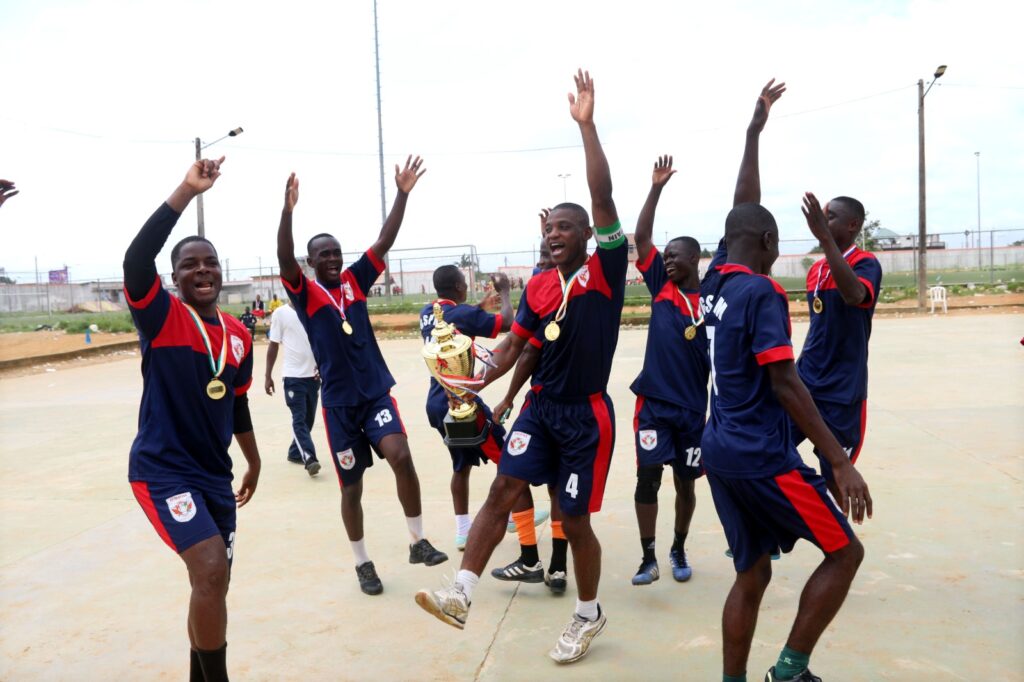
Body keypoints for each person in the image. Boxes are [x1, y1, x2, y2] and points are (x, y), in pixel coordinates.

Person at [416, 69, 626, 664]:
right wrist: (476, 380)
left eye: (565, 227)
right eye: (549, 227)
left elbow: (604, 197)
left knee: (575, 521)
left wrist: (586, 127)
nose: (554, 234)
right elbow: (518, 346)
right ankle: (461, 593)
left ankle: (587, 613)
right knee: (503, 489)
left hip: (586, 416)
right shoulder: (537, 286)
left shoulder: (606, 272)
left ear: (587, 234)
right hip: (540, 409)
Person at [700, 81, 873, 682]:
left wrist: (753, 133)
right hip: (760, 455)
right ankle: (789, 670)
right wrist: (839, 462)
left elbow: (741, 211)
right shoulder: (762, 291)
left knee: (752, 574)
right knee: (845, 552)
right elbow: (785, 384)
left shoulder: (715, 283)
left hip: (719, 451)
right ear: (771, 244)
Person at [276, 155, 447, 597]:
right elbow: (283, 257)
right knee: (351, 489)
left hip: (374, 395)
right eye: (324, 254)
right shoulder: (305, 293)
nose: (333, 259)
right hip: (338, 406)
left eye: (337, 252)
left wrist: (402, 194)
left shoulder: (355, 281)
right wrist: (288, 212)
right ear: (311, 262)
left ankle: (418, 541)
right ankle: (362, 563)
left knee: (401, 456)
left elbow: (384, 240)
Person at [123, 157, 261, 682]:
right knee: (209, 568)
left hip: (214, 475)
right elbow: (136, 258)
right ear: (174, 277)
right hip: (163, 470)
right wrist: (186, 189)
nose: (202, 270)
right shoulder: (161, 317)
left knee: (213, 584)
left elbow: (237, 403)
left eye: (211, 262)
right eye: (190, 265)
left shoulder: (239, 334)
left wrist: (253, 461)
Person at [628, 155, 709, 586]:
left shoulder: (712, 299)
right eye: (666, 256)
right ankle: (648, 558)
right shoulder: (662, 286)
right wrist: (656, 188)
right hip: (654, 406)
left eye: (676, 255)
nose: (669, 260)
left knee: (686, 483)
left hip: (693, 410)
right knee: (648, 479)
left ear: (695, 257)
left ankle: (678, 547)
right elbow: (641, 238)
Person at [793, 193, 882, 499]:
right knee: (772, 451)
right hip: (806, 383)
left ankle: (836, 529)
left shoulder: (866, 263)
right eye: (821, 216)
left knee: (835, 477)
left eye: (829, 217)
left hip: (843, 391)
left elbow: (854, 295)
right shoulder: (815, 270)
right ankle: (783, 524)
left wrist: (825, 240)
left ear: (853, 225)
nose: (822, 221)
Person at [420, 267, 512, 549]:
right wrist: (505, 291)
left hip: (436, 403)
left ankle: (462, 530)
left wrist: (478, 308)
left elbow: (456, 319)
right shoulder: (462, 315)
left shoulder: (428, 312)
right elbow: (508, 323)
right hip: (461, 400)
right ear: (460, 287)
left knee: (461, 465)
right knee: (507, 455)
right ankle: (513, 515)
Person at [265, 300, 321, 477]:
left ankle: (295, 453)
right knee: (299, 418)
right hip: (293, 377)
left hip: (313, 377)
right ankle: (309, 457)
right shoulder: (280, 313)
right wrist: (268, 376)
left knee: (309, 419)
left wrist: (323, 367)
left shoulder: (313, 309)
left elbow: (322, 342)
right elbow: (273, 344)